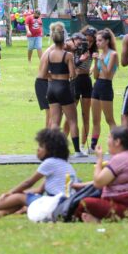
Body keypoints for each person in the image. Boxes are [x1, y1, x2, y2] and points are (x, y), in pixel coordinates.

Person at [0, 129, 78, 219]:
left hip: (56, 205)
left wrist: (11, 193)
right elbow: (38, 190)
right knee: (20, 198)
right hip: (66, 205)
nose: (37, 149)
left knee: (18, 197)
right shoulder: (63, 165)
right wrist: (19, 193)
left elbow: (29, 182)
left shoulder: (50, 162)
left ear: (50, 150)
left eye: (41, 146)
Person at [79, 126, 128, 222]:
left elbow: (98, 183)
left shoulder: (120, 158)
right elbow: (107, 180)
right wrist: (79, 185)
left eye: (109, 138)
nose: (107, 141)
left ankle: (92, 218)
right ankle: (95, 219)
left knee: (85, 203)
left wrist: (99, 160)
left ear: (117, 142)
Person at [39, 23, 82, 156]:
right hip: (63, 87)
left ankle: (52, 150)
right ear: (64, 39)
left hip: (51, 88)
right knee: (72, 120)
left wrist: (52, 76)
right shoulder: (67, 55)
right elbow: (73, 74)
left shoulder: (49, 54)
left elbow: (42, 74)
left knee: (55, 121)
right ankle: (77, 151)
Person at [89, 29, 119, 151]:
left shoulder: (113, 55)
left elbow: (107, 75)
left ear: (107, 41)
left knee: (109, 119)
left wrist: (101, 60)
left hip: (106, 86)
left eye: (100, 40)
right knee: (95, 120)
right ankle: (93, 146)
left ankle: (117, 143)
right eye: (96, 40)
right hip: (97, 86)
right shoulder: (99, 55)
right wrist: (96, 62)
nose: (97, 43)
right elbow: (96, 75)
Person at [69, 27, 98, 151]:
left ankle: (82, 145)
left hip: (86, 81)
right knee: (70, 116)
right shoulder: (75, 49)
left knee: (86, 115)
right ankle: (63, 144)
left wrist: (92, 68)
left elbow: (94, 68)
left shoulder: (92, 51)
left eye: (91, 41)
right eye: (87, 40)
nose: (89, 43)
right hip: (75, 81)